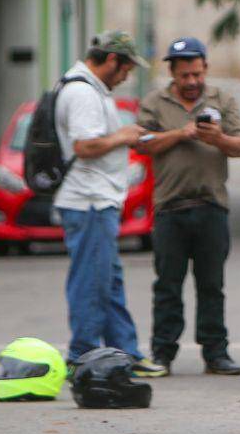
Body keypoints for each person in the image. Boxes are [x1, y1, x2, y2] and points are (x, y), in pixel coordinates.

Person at [55, 31, 166, 376]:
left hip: (99, 200)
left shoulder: (91, 89)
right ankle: (83, 356)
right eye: (125, 69)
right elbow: (84, 146)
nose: (126, 77)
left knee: (109, 279)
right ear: (112, 60)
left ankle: (124, 353)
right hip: (88, 200)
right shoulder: (82, 92)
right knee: (91, 281)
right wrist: (126, 135)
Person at [136, 37, 240, 375]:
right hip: (170, 208)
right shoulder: (155, 102)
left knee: (211, 285)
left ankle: (216, 353)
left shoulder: (222, 99)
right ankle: (162, 354)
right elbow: (142, 143)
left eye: (197, 74)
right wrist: (182, 134)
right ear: (172, 72)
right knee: (167, 285)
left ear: (205, 70)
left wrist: (218, 139)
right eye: (185, 76)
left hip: (212, 206)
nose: (192, 82)